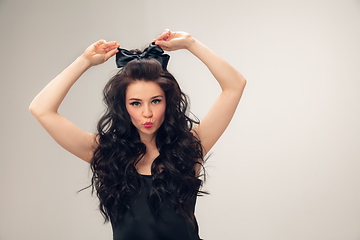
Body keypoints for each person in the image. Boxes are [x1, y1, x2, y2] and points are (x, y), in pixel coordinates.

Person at [29, 30, 246, 240]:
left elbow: (235, 85)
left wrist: (191, 43)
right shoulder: (105, 153)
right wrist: (84, 61)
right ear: (123, 107)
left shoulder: (189, 147)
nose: (147, 113)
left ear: (167, 102)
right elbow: (41, 108)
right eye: (136, 103)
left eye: (155, 101)